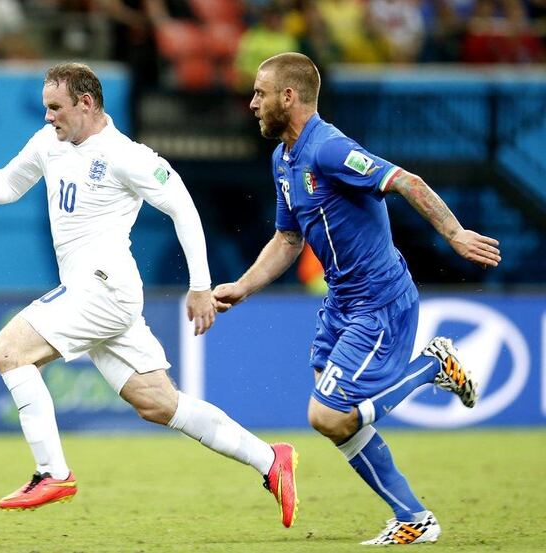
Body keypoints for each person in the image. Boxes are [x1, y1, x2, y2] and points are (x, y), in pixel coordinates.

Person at [0, 62, 299, 527]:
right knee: (157, 402)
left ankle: (53, 473)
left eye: (56, 107)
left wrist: (199, 287)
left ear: (85, 103)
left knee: (10, 350)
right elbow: (10, 183)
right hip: (95, 294)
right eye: (46, 107)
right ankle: (271, 460)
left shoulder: (126, 155)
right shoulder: (49, 142)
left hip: (103, 287)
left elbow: (183, 208)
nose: (48, 117)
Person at [213, 52, 501, 545]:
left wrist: (454, 235)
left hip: (378, 300)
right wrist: (243, 286)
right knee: (336, 421)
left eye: (261, 93)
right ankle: (413, 517)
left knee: (327, 414)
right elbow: (288, 240)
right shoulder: (282, 158)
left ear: (290, 96)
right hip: (341, 302)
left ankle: (435, 364)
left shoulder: (328, 148)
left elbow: (405, 181)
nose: (252, 103)